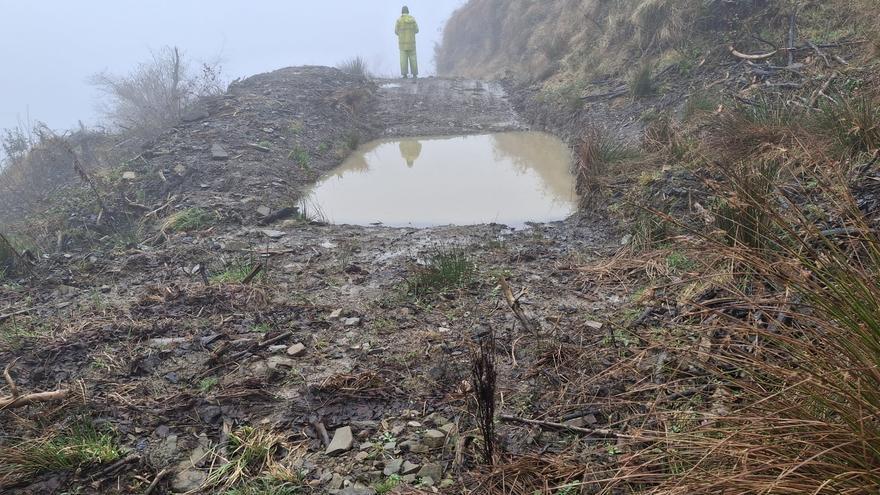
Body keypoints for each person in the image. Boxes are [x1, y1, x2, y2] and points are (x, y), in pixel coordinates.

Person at [395, 6, 419, 79]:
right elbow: (417, 30)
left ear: (402, 11)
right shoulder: (413, 20)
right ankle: (414, 74)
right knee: (413, 59)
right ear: (408, 11)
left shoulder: (399, 20)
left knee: (403, 60)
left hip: (402, 44)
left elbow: (396, 31)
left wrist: (401, 34)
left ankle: (404, 75)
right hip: (412, 44)